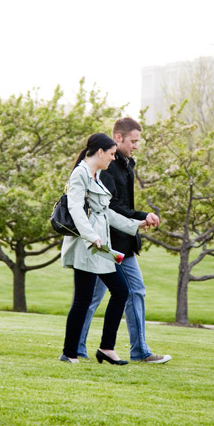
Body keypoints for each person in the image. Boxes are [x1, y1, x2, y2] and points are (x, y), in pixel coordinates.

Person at [78, 118, 172, 363]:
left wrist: (138, 221)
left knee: (136, 291)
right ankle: (76, 349)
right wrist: (141, 217)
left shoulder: (127, 164)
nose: (136, 145)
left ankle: (140, 351)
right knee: (93, 298)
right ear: (118, 138)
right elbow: (110, 207)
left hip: (125, 244)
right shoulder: (106, 167)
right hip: (107, 244)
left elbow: (122, 207)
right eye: (133, 141)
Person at [59, 132, 148, 364]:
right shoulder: (80, 174)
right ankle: (69, 353)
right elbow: (76, 209)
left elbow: (105, 212)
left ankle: (106, 348)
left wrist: (135, 224)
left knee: (121, 292)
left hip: (101, 247)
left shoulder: (95, 175)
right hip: (88, 248)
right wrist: (90, 237)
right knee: (83, 299)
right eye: (110, 154)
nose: (112, 158)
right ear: (100, 152)